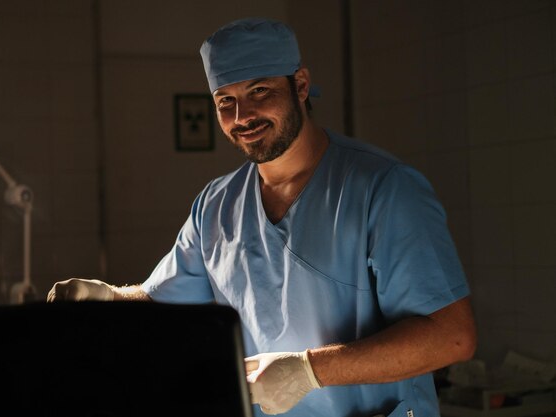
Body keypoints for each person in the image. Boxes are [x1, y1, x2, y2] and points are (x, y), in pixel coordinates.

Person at [48, 17, 477, 417]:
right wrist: (110, 298)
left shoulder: (383, 188)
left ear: (301, 85)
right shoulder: (216, 206)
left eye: (259, 92)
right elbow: (163, 299)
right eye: (225, 102)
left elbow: (452, 336)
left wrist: (309, 370)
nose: (242, 118)